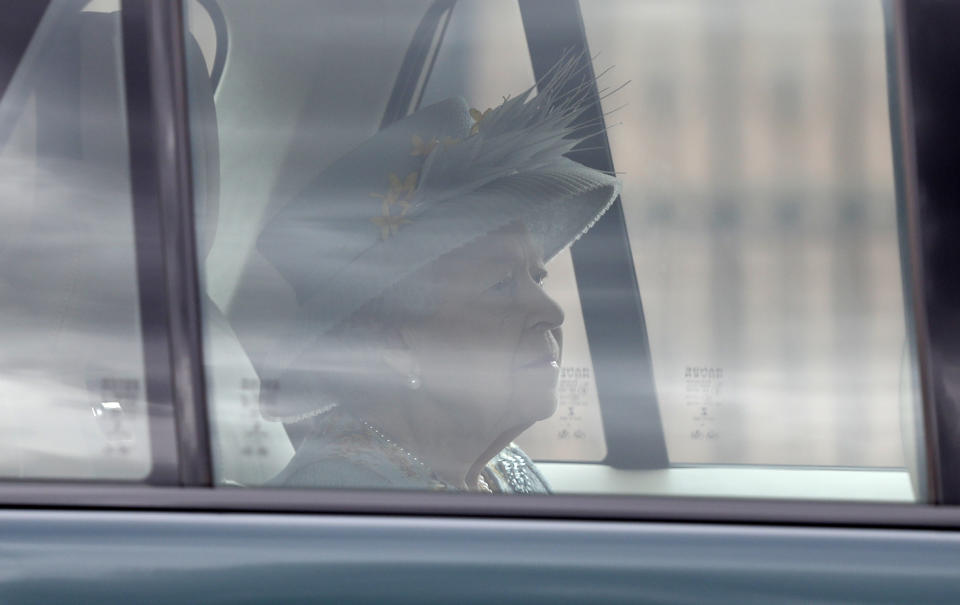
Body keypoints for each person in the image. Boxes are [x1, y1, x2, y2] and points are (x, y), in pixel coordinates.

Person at [255, 59, 620, 493]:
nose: (552, 312)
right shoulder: (342, 497)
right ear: (394, 340)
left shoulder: (505, 472)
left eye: (536, 278)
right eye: (500, 285)